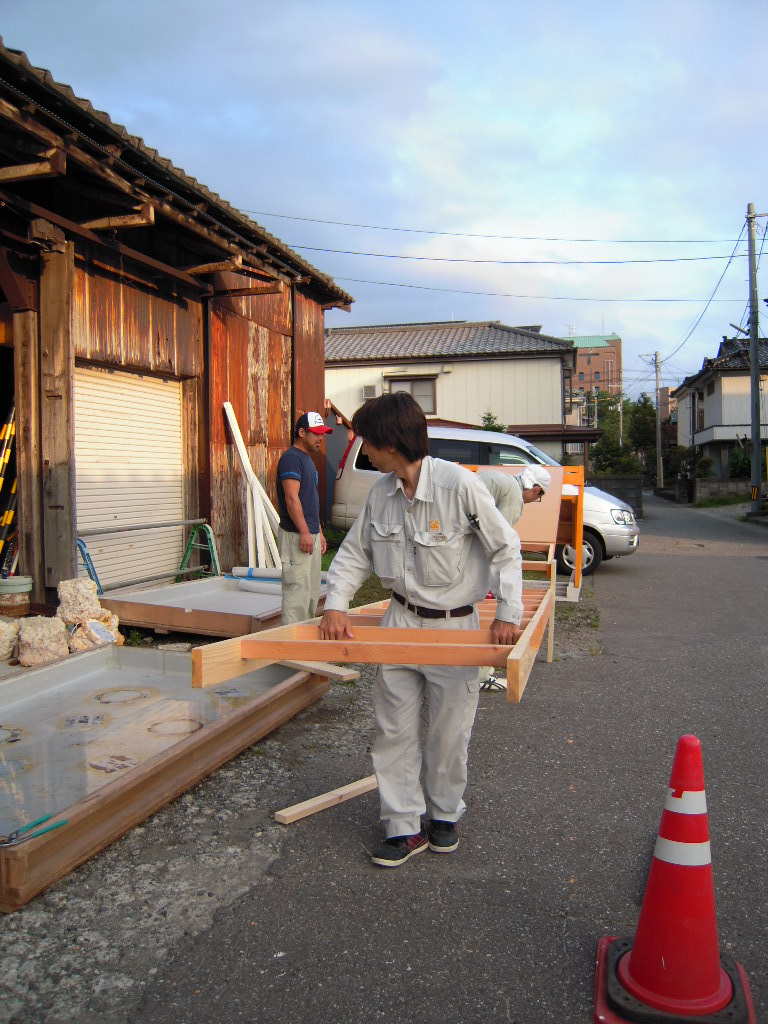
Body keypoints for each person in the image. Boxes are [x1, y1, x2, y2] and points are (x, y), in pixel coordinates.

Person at [319, 393, 523, 868]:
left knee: (449, 732)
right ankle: (402, 826)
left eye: (367, 441)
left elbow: (505, 548)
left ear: (391, 441)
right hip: (399, 621)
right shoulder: (381, 493)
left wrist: (509, 612)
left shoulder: (458, 487)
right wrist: (336, 603)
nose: (363, 450)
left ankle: (445, 815)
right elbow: (353, 554)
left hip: (455, 627)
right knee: (393, 731)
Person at [477, 466, 551, 689]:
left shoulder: (501, 480)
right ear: (536, 490)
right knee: (480, 611)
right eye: (537, 498)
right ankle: (479, 674)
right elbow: (501, 544)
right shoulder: (512, 494)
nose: (532, 501)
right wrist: (495, 589)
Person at [276, 411, 332, 624]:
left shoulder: (307, 460)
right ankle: (290, 648)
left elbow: (310, 500)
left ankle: (303, 644)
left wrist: (319, 532)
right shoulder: (291, 458)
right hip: (296, 535)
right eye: (316, 433)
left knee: (310, 593)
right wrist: (305, 532)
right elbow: (292, 498)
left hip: (310, 534)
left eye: (322, 434)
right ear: (301, 432)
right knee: (296, 595)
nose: (320, 438)